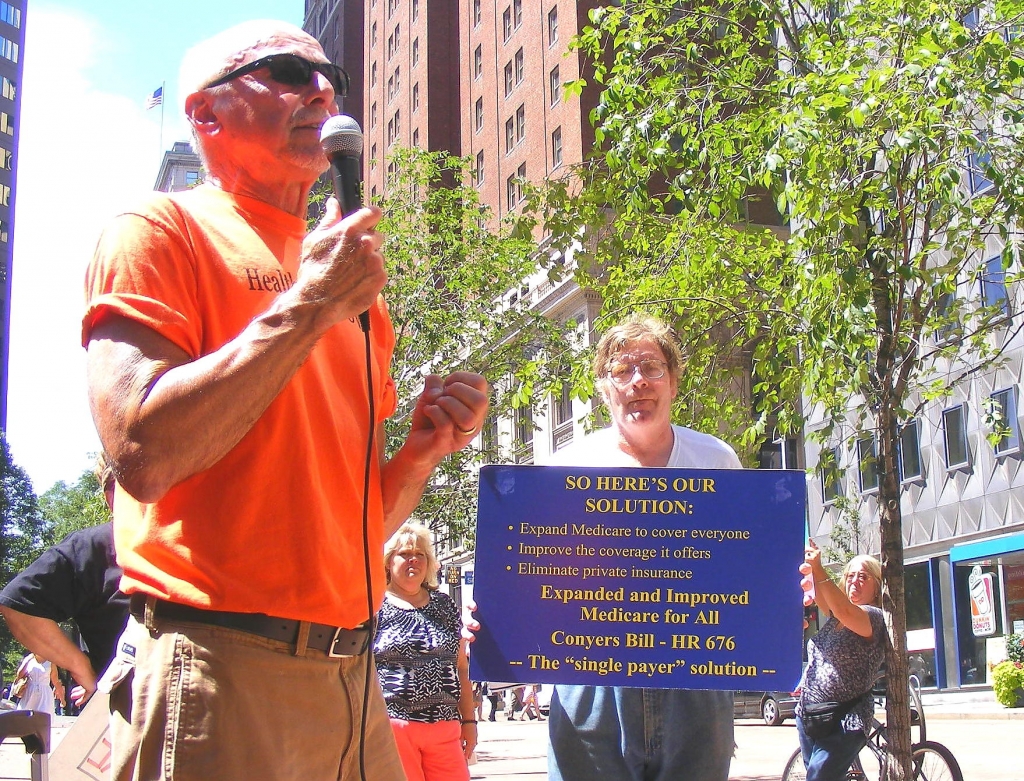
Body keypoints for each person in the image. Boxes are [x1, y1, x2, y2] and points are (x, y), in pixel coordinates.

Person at [81, 20, 488, 781]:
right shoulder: (158, 230)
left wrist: (425, 449)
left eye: (328, 74)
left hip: (354, 681)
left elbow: (358, 521)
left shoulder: (347, 279)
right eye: (285, 72)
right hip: (225, 669)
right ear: (205, 115)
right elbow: (141, 451)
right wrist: (307, 305)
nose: (323, 89)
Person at [546, 314, 741, 781]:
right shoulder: (564, 468)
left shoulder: (717, 460)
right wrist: (499, 614)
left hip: (695, 675)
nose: (637, 381)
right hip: (590, 682)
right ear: (603, 388)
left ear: (673, 382)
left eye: (651, 368)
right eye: (621, 371)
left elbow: (742, 567)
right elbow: (537, 576)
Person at [0, 456, 127, 708]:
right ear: (111, 497)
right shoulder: (92, 549)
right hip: (128, 719)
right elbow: (19, 603)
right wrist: (82, 668)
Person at [373, 523, 476, 781]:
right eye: (405, 554)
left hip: (445, 727)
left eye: (420, 555)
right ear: (388, 562)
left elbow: (461, 667)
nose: (413, 560)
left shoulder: (444, 604)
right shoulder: (374, 605)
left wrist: (469, 722)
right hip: (392, 727)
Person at [796, 545, 886, 781]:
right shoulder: (835, 617)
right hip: (809, 713)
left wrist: (819, 567)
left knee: (817, 778)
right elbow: (830, 603)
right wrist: (813, 567)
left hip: (845, 719)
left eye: (863, 577)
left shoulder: (872, 617)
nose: (855, 581)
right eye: (850, 575)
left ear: (876, 587)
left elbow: (844, 609)